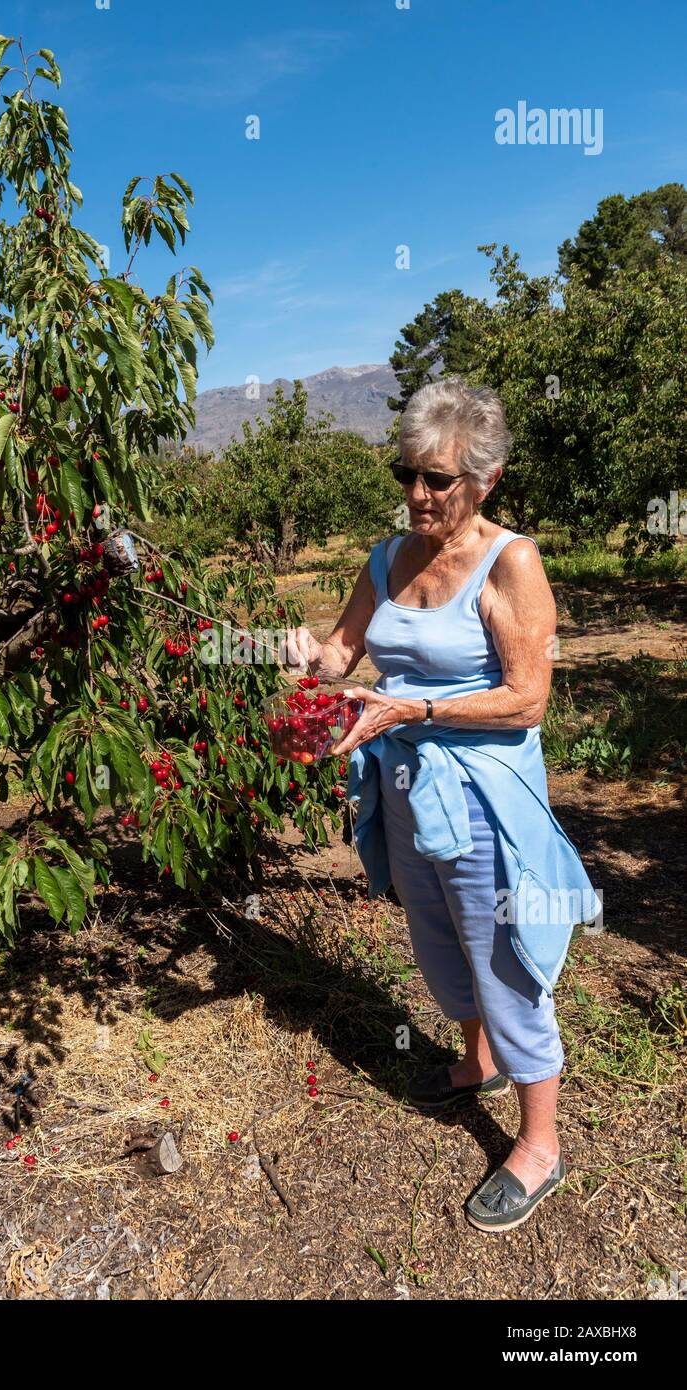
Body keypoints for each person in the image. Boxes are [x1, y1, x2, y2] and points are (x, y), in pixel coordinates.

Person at [286, 377, 599, 1233]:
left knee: (503, 957)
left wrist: (414, 708)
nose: (417, 495)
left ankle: (539, 1146)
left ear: (484, 480)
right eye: (408, 475)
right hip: (402, 789)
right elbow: (341, 654)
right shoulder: (385, 558)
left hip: (482, 797)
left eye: (439, 479)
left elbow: (526, 699)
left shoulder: (512, 562)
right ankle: (477, 1060)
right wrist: (299, 653)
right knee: (435, 936)